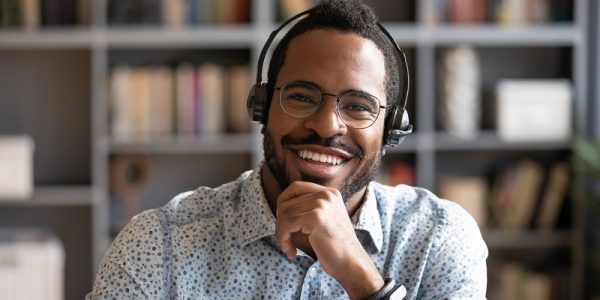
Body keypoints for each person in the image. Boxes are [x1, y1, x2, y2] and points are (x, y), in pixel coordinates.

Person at [88, 0, 488, 299]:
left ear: (390, 130)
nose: (327, 125)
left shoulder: (438, 237)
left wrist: (359, 275)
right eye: (301, 97)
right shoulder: (159, 245)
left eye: (358, 106)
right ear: (262, 108)